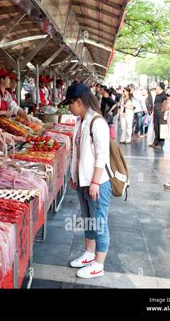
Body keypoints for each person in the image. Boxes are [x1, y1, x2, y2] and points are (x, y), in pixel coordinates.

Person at [59, 83, 112, 279]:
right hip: (83, 181)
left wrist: (95, 183)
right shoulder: (81, 121)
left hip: (96, 182)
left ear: (79, 102)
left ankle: (99, 264)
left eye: (69, 104)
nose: (68, 108)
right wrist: (74, 176)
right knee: (88, 219)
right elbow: (78, 154)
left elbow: (102, 156)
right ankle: (89, 253)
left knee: (99, 221)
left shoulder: (97, 122)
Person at [150, 83, 168, 149]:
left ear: (160, 87)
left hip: (161, 114)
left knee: (161, 128)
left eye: (157, 86)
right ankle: (156, 142)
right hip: (156, 113)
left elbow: (167, 105)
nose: (156, 87)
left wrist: (166, 114)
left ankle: (161, 144)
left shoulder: (164, 95)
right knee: (156, 128)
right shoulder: (157, 95)